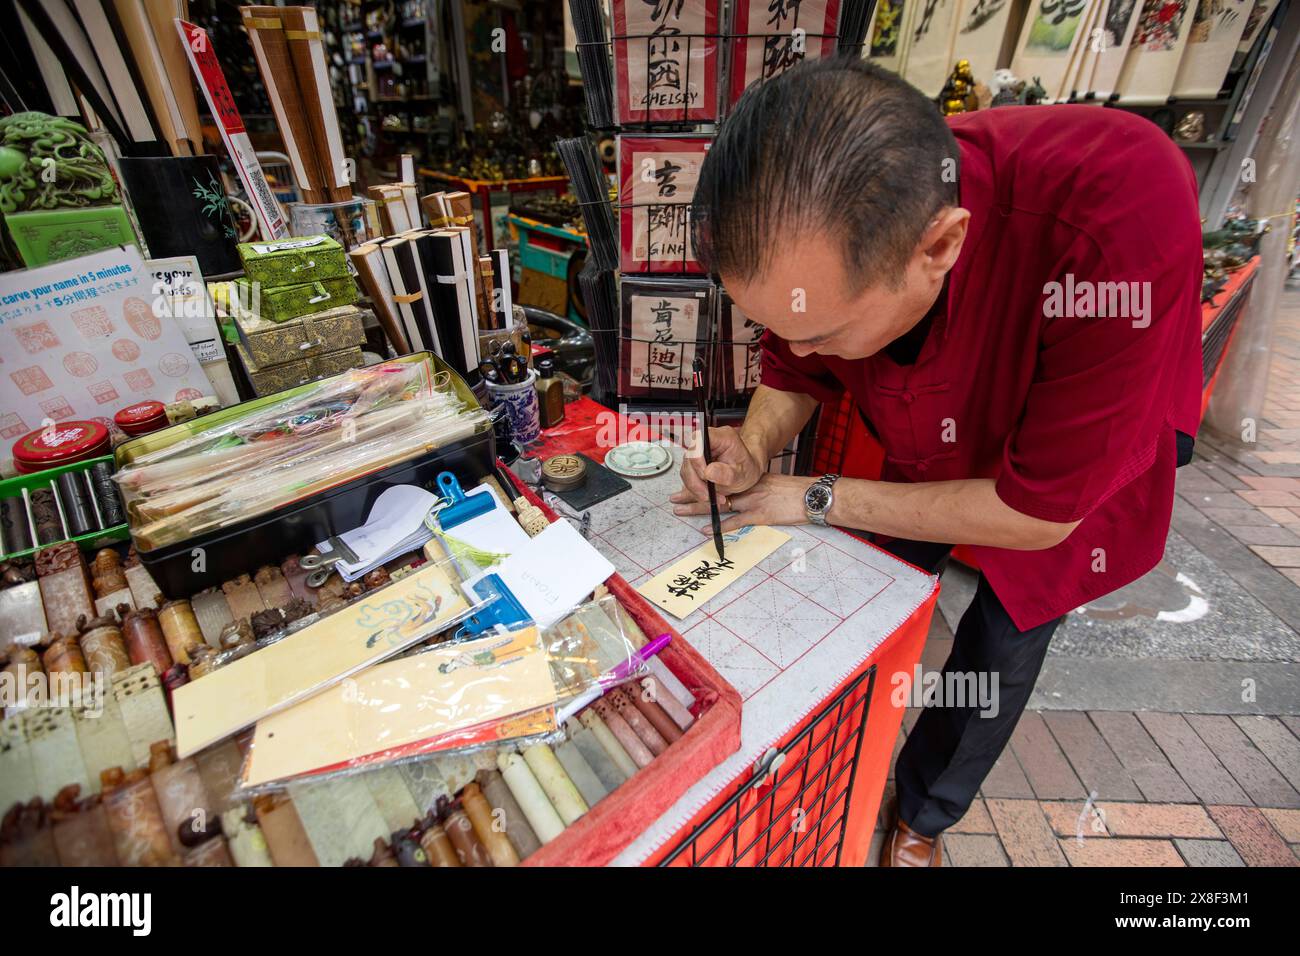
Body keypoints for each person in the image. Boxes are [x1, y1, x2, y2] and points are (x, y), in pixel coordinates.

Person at [671, 57, 1203, 867]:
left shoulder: (1119, 210)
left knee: (1002, 639)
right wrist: (754, 444)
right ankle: (840, 764)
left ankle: (924, 811)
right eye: (783, 324)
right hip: (926, 426)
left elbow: (1035, 513)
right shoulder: (834, 242)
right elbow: (792, 364)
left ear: (940, 245)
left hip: (1071, 465)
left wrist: (813, 495)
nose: (802, 346)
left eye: (824, 330)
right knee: (869, 594)